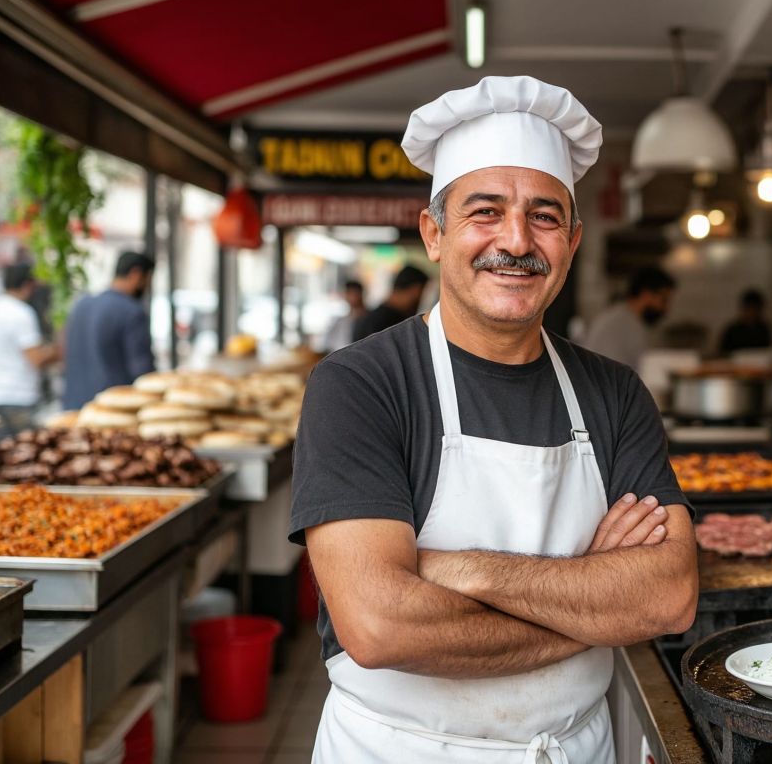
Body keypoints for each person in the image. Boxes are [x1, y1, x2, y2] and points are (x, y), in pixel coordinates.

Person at [291, 76, 697, 764]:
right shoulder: (359, 386)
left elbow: (669, 595)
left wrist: (466, 572)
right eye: (485, 211)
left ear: (570, 241)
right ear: (434, 233)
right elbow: (379, 625)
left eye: (544, 216)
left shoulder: (615, 394)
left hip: (575, 750)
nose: (516, 240)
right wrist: (594, 603)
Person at [61, 251, 156, 409]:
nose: (147, 287)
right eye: (147, 280)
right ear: (136, 274)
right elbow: (143, 374)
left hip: (74, 408)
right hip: (113, 412)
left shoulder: (81, 305)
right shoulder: (132, 311)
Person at [0, 264, 62, 437]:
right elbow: (36, 359)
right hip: (19, 396)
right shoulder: (22, 313)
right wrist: (56, 351)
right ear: (28, 285)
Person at [579, 266, 676, 371]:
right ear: (646, 295)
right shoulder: (617, 323)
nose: (666, 308)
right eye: (664, 300)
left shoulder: (630, 320)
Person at [350, 266, 430, 342]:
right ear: (415, 290)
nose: (421, 300)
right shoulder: (395, 322)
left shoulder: (369, 318)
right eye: (421, 293)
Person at [718, 288, 772, 356]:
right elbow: (722, 354)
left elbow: (769, 351)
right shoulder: (732, 331)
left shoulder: (764, 329)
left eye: (754, 309)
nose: (751, 313)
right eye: (749, 309)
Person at [322, 280, 366, 351]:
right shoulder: (341, 321)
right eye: (348, 293)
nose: (351, 297)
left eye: (354, 293)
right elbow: (329, 343)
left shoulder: (370, 319)